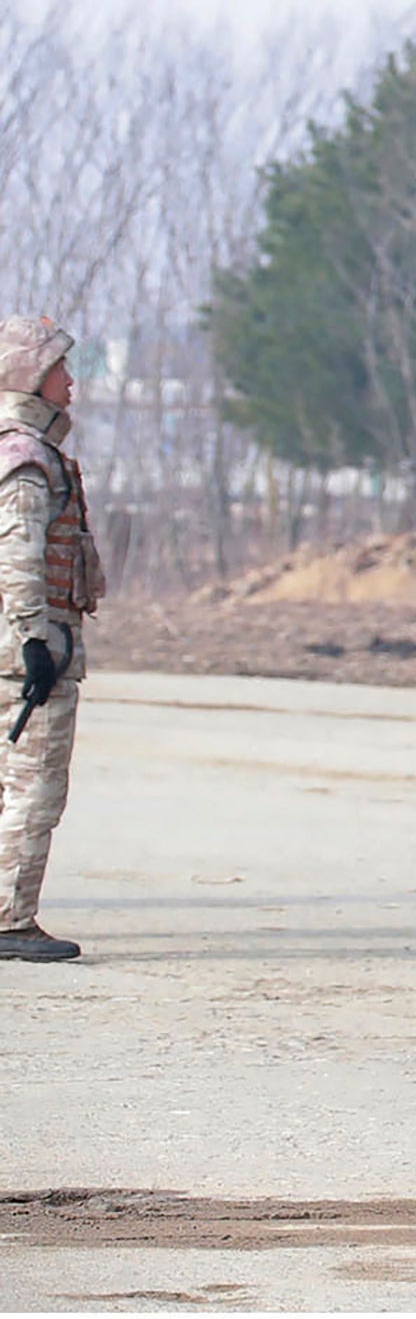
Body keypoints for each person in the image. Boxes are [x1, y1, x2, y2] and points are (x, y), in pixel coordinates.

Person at [0, 316, 100, 964]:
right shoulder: (27, 460)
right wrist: (34, 641)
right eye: (60, 367)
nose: (71, 379)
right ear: (32, 378)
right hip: (27, 654)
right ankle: (10, 919)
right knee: (34, 786)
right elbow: (19, 556)